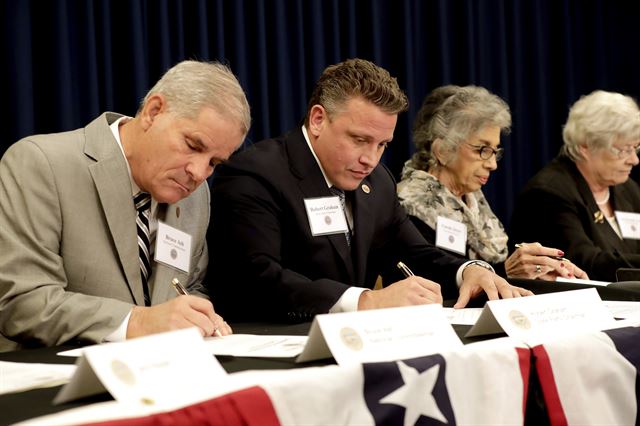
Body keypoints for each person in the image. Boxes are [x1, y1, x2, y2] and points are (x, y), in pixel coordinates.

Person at [206, 58, 531, 322]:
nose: (370, 159)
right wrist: (365, 300)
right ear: (318, 119)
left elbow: (413, 253)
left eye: (382, 145)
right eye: (359, 140)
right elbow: (257, 279)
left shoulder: (377, 182)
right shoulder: (255, 174)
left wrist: (467, 271)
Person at [0, 60, 251, 351]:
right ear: (153, 112)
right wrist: (138, 322)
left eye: (214, 163)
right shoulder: (42, 164)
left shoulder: (196, 196)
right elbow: (21, 302)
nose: (199, 172)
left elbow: (191, 285)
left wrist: (197, 318)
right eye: (193, 145)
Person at [397, 85, 587, 280]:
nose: (492, 164)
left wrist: (537, 271)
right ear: (443, 150)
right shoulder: (409, 206)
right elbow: (433, 279)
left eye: (495, 151)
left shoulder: (473, 202)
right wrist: (507, 273)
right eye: (482, 150)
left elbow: (496, 269)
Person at [509, 90, 640, 281]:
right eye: (624, 150)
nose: (634, 160)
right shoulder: (549, 192)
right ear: (585, 147)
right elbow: (585, 262)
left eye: (635, 148)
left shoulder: (627, 188)